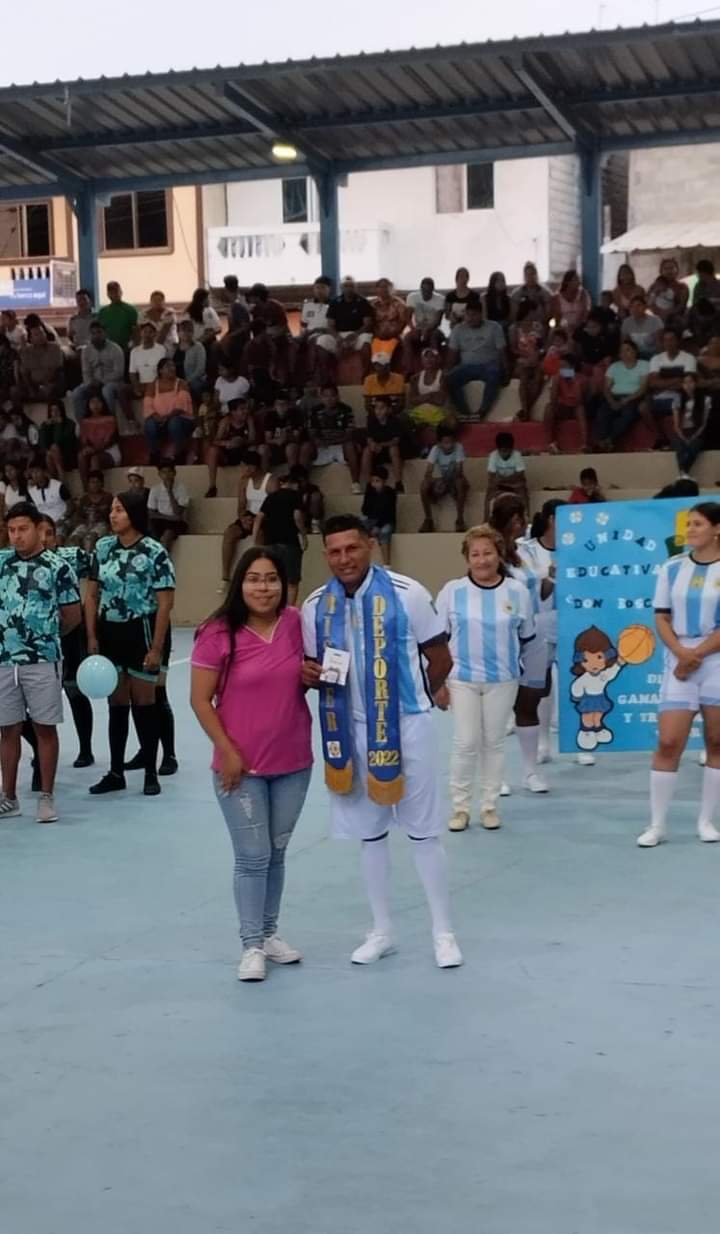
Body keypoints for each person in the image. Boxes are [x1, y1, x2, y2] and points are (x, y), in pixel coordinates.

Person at [301, 515, 462, 969]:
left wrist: (419, 699)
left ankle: (443, 932)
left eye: (352, 548)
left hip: (406, 725)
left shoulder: (408, 593)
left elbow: (440, 657)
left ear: (370, 545)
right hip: (348, 731)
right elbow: (314, 666)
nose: (344, 559)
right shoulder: (315, 606)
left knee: (424, 832)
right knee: (370, 835)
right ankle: (382, 930)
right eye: (334, 551)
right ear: (325, 555)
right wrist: (308, 674)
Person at [191, 546, 312, 981]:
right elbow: (200, 700)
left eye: (272, 579)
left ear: (284, 584)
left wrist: (312, 677)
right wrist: (227, 751)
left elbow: (307, 675)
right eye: (254, 579)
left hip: (294, 762)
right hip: (240, 768)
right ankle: (251, 946)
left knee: (276, 852)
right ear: (239, 584)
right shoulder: (217, 632)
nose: (264, 588)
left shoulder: (297, 623)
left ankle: (269, 932)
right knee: (252, 856)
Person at [436, 524, 534, 832]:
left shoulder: (518, 592)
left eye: (488, 553)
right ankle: (460, 807)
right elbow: (438, 640)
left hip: (503, 679)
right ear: (467, 559)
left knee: (494, 742)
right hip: (461, 678)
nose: (482, 560)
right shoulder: (452, 592)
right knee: (465, 741)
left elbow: (526, 636)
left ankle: (489, 806)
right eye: (475, 554)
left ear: (499, 555)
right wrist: (437, 684)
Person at [638, 502, 720, 847]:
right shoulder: (671, 568)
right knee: (669, 742)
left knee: (717, 742)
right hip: (678, 656)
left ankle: (706, 821)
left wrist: (696, 655)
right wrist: (681, 653)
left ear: (717, 529)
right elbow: (661, 616)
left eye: (698, 524)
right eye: (689, 524)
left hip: (715, 661)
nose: (690, 530)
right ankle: (657, 825)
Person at [85, 489, 175, 797]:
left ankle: (150, 772)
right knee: (117, 704)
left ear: (134, 514)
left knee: (144, 703)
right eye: (112, 509)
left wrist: (156, 648)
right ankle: (116, 772)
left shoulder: (154, 551)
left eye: (119, 510)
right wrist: (92, 635)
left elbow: (165, 603)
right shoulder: (103, 548)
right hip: (110, 632)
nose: (113, 515)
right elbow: (92, 595)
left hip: (142, 630)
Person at [0, 501, 81, 822]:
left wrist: (43, 635)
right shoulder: (1, 563)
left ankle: (46, 797)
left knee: (44, 728)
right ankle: (9, 797)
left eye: (23, 529)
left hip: (43, 659)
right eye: (11, 530)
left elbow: (72, 615)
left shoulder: (58, 567)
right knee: (7, 730)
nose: (16, 536)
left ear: (38, 529)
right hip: (5, 660)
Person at [37, 514, 95, 768]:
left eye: (49, 533)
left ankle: (86, 750)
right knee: (36, 700)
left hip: (70, 636)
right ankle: (40, 750)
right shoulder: (22, 563)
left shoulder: (72, 557)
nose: (44, 539)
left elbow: (100, 573)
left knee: (75, 692)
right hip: (39, 642)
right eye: (40, 532)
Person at [220, 452, 276, 588]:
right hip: (250, 515)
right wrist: (243, 518)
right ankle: (225, 578)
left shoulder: (271, 481)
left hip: (267, 517)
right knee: (229, 533)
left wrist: (258, 520)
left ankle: (258, 573)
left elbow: (276, 506)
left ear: (252, 468)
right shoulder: (244, 481)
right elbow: (241, 505)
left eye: (243, 466)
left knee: (259, 536)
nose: (241, 469)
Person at [445, 295, 506, 419]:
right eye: (467, 315)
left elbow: (502, 352)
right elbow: (452, 354)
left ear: (481, 314)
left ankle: (481, 412)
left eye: (473, 315)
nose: (470, 318)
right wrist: (446, 371)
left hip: (489, 366)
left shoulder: (494, 327)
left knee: (494, 375)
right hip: (466, 367)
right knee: (449, 380)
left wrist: (506, 370)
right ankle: (465, 413)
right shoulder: (458, 329)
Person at [253, 472, 307, 607]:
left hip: (270, 543)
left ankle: (273, 608)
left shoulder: (270, 497)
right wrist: (303, 535)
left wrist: (255, 539)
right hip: (289, 542)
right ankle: (289, 611)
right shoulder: (295, 495)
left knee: (273, 578)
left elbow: (259, 518)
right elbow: (297, 516)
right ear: (294, 484)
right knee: (292, 581)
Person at [593, 339, 649, 450]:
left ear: (635, 351)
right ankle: (603, 442)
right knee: (602, 413)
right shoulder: (614, 366)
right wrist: (612, 402)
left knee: (628, 415)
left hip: (634, 397)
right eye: (622, 351)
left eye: (628, 350)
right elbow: (606, 388)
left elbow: (643, 388)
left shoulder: (644, 365)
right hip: (614, 397)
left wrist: (627, 399)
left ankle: (608, 440)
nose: (625, 353)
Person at [647, 328, 697, 447]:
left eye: (671, 339)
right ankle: (661, 438)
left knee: (678, 401)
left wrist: (663, 384)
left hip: (682, 395)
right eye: (665, 340)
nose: (668, 343)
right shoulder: (656, 359)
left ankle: (679, 442)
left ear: (678, 341)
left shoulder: (688, 358)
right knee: (643, 407)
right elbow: (653, 383)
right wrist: (676, 379)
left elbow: (688, 383)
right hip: (661, 396)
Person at [309, 384, 361, 491]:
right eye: (325, 396)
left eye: (332, 395)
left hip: (341, 445)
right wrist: (318, 440)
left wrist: (333, 441)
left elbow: (349, 433)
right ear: (321, 397)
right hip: (323, 447)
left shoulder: (346, 409)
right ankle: (302, 483)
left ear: (337, 396)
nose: (329, 399)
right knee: (306, 447)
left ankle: (356, 483)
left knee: (350, 445)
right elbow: (311, 433)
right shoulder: (314, 410)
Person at [143, 357, 195, 463]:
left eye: (173, 366)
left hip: (181, 420)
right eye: (168, 366)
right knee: (149, 424)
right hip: (160, 421)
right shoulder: (152, 385)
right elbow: (147, 404)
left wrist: (167, 417)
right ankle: (154, 455)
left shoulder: (181, 383)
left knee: (174, 422)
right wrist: (156, 417)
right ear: (160, 370)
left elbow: (181, 405)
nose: (172, 368)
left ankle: (180, 454)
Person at [72, 320, 127, 421]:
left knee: (106, 391)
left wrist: (102, 381)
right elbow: (86, 372)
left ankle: (111, 424)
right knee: (76, 393)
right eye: (93, 333)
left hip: (113, 382)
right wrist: (90, 383)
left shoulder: (115, 349)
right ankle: (83, 425)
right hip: (92, 383)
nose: (96, 336)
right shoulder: (86, 351)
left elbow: (119, 373)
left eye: (99, 332)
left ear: (105, 333)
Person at [419, 422, 468, 533]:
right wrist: (433, 481)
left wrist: (445, 482)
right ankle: (428, 520)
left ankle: (460, 520)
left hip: (455, 478)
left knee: (460, 483)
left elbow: (459, 471)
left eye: (451, 442)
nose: (449, 445)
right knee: (424, 485)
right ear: (439, 443)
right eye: (445, 443)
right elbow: (428, 472)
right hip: (444, 480)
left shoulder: (458, 447)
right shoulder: (435, 449)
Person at [204, 398, 257, 498]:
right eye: (242, 409)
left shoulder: (249, 420)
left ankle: (254, 484)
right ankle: (212, 486)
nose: (245, 411)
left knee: (254, 449)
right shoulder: (226, 422)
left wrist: (241, 441)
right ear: (233, 412)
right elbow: (215, 441)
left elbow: (253, 440)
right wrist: (227, 443)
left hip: (243, 454)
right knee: (212, 450)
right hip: (227, 455)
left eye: (246, 408)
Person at [326, 277, 374, 373]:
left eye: (351, 286)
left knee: (366, 343)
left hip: (359, 333)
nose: (348, 288)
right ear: (341, 288)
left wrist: (355, 334)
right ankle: (325, 375)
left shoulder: (363, 302)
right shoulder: (334, 302)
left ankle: (366, 373)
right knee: (321, 342)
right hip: (339, 334)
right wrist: (337, 337)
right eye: (346, 286)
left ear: (356, 288)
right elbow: (330, 325)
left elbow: (368, 324)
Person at [247, 283, 294, 382]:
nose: (250, 299)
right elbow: (256, 328)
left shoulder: (276, 306)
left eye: (252, 296)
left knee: (275, 349)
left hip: (280, 335)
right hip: (266, 336)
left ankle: (281, 377)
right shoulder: (255, 310)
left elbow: (284, 327)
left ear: (258, 297)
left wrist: (271, 336)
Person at [13, 324, 65, 408]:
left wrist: (44, 384)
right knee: (14, 391)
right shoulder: (27, 351)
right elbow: (24, 372)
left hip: (50, 382)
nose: (41, 336)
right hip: (32, 384)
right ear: (30, 339)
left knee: (50, 390)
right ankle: (19, 414)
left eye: (42, 333)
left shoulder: (55, 348)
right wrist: (30, 389)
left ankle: (51, 413)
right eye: (36, 335)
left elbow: (55, 369)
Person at [545, 353, 588, 454]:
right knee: (549, 408)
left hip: (576, 408)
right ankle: (551, 444)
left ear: (572, 367)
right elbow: (553, 400)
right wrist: (556, 382)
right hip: (563, 408)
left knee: (580, 409)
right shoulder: (558, 377)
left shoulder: (581, 379)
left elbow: (579, 400)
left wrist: (574, 381)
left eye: (564, 366)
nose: (561, 369)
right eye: (560, 366)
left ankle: (584, 444)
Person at [260, 390, 312, 472]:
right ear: (274, 405)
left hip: (293, 445)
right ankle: (264, 475)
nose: (281, 407)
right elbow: (267, 439)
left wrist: (286, 437)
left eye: (284, 404)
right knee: (262, 448)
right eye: (278, 404)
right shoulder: (269, 416)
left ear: (289, 405)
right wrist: (277, 441)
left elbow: (296, 438)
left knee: (290, 447)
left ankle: (293, 475)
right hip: (276, 446)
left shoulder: (295, 414)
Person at [509, 300, 544, 420]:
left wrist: (537, 354)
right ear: (529, 312)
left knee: (539, 377)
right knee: (524, 376)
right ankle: (525, 409)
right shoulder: (514, 328)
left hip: (535, 359)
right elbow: (513, 348)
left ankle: (526, 409)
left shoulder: (538, 327)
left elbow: (541, 346)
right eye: (534, 311)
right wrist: (525, 355)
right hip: (522, 359)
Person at [77, 391, 121, 486]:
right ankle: (86, 489)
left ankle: (97, 489)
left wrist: (94, 449)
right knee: (81, 456)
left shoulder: (110, 419)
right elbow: (83, 441)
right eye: (92, 402)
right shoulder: (85, 422)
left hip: (110, 452)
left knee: (95, 459)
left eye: (98, 402)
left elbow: (110, 441)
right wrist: (86, 448)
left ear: (103, 404)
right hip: (93, 451)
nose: (95, 405)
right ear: (88, 405)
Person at [361, 397, 404, 492]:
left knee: (394, 449)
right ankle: (369, 484)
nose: (378, 411)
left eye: (382, 408)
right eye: (376, 408)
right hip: (377, 450)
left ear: (388, 409)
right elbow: (369, 438)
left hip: (389, 449)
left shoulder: (395, 421)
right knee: (367, 450)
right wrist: (372, 444)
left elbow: (396, 440)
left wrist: (381, 445)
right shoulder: (371, 420)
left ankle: (398, 483)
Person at [671, 373, 710, 476]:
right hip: (680, 432)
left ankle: (682, 474)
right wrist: (683, 438)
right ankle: (684, 475)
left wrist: (693, 437)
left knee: (694, 446)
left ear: (695, 383)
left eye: (690, 382)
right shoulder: (677, 398)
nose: (688, 385)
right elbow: (676, 425)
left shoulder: (705, 399)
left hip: (696, 431)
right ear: (682, 385)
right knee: (680, 448)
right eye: (685, 382)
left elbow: (703, 423)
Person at [299, 276, 337, 382]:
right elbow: (303, 325)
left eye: (323, 287)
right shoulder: (308, 305)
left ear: (329, 289)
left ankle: (311, 374)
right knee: (291, 343)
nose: (319, 290)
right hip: (308, 334)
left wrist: (317, 331)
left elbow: (334, 327)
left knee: (315, 340)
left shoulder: (335, 305)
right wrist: (303, 334)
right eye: (317, 287)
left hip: (326, 334)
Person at [148, 459, 190, 551]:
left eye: (169, 472)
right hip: (161, 520)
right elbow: (151, 513)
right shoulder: (155, 489)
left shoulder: (181, 488)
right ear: (159, 474)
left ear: (174, 473)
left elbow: (178, 512)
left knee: (168, 534)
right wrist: (170, 517)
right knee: (149, 528)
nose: (167, 475)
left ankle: (163, 557)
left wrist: (169, 491)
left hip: (176, 523)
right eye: (164, 472)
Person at [403, 277, 445, 369]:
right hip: (418, 328)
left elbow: (437, 321)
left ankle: (435, 367)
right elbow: (407, 317)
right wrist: (413, 328)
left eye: (428, 291)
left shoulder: (440, 299)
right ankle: (409, 369)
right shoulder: (412, 297)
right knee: (407, 338)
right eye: (424, 290)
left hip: (434, 329)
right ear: (420, 289)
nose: (426, 293)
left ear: (433, 290)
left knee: (434, 336)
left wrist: (427, 330)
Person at [27, 460, 73, 543]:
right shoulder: (31, 492)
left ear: (44, 472)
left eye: (37, 471)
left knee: (58, 539)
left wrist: (61, 519)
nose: (35, 475)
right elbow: (31, 512)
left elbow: (71, 506)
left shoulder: (58, 486)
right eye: (32, 472)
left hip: (61, 522)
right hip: (42, 524)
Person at [485, 431, 529, 517]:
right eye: (502, 451)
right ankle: (486, 520)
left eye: (507, 450)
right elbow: (492, 476)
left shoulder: (517, 455)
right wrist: (508, 479)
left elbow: (520, 474)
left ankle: (526, 518)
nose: (504, 453)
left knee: (523, 493)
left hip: (515, 484)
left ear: (511, 449)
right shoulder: (493, 455)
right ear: (498, 449)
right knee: (489, 496)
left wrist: (503, 479)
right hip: (499, 485)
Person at [67, 469, 113, 551]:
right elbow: (78, 516)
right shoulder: (84, 499)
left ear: (102, 483)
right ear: (88, 484)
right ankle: (78, 557)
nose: (95, 485)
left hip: (101, 524)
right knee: (74, 538)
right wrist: (84, 524)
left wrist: (99, 513)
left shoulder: (108, 497)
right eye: (92, 482)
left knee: (90, 538)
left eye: (97, 482)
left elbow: (111, 515)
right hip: (85, 524)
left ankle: (88, 558)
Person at [361, 465, 397, 565]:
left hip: (386, 521)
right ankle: (364, 561)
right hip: (372, 520)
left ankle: (386, 565)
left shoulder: (390, 493)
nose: (374, 484)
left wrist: (377, 526)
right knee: (359, 527)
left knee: (384, 532)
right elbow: (364, 510)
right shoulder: (370, 492)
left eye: (377, 481)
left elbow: (388, 514)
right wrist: (370, 495)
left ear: (384, 481)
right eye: (372, 481)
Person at [407, 348, 448, 430]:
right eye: (426, 357)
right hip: (419, 412)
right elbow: (412, 400)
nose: (429, 360)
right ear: (422, 361)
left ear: (437, 359)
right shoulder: (415, 378)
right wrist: (431, 395)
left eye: (432, 357)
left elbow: (440, 401)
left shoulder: (444, 376)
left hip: (437, 412)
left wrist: (421, 398)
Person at [38, 401, 78, 482]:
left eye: (57, 410)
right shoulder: (45, 424)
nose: (55, 413)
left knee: (54, 447)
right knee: (49, 456)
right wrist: (45, 427)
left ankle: (60, 477)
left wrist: (59, 425)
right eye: (52, 410)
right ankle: (58, 481)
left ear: (62, 411)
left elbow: (59, 440)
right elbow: (42, 442)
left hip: (67, 454)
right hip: (52, 455)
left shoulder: (70, 423)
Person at [370, 278, 408, 361]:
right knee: (375, 355)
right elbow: (371, 322)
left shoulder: (399, 303)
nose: (384, 289)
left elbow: (403, 322)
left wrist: (392, 334)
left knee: (390, 354)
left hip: (395, 335)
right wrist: (377, 333)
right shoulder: (373, 304)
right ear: (377, 290)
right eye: (381, 287)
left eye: (386, 287)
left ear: (391, 289)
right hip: (378, 336)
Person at [173, 317, 207, 404]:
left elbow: (200, 369)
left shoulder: (198, 347)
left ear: (193, 332)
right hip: (177, 381)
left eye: (189, 331)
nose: (186, 333)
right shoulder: (174, 348)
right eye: (183, 330)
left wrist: (187, 381)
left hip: (194, 380)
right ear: (178, 332)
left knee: (194, 385)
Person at [96, 282, 139, 351]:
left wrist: (134, 347)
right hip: (107, 349)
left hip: (126, 348)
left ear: (121, 292)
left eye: (116, 291)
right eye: (111, 292)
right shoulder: (102, 312)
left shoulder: (130, 310)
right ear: (108, 294)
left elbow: (136, 331)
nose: (114, 294)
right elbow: (99, 331)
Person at [647, 258, 689, 326]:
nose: (669, 271)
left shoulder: (682, 287)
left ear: (677, 270)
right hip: (657, 317)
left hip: (675, 319)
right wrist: (659, 312)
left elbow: (682, 306)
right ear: (661, 271)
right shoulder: (654, 286)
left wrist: (668, 313)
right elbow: (648, 302)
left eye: (672, 268)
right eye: (666, 268)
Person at [129, 321, 167, 396]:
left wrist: (152, 386)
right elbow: (132, 373)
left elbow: (163, 372)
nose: (147, 334)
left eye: (150, 332)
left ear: (155, 334)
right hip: (141, 384)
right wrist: (137, 387)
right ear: (141, 333)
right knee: (123, 391)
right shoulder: (134, 351)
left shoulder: (161, 349)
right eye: (145, 331)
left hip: (157, 384)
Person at [620, 295, 663, 360]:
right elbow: (625, 343)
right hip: (634, 355)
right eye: (632, 306)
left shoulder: (655, 320)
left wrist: (659, 359)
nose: (635, 309)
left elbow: (659, 343)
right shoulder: (626, 322)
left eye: (639, 305)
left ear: (645, 307)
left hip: (652, 354)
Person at [139, 290, 178, 354]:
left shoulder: (169, 313)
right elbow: (141, 332)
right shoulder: (143, 314)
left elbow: (163, 334)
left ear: (163, 301)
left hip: (167, 345)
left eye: (159, 300)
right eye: (154, 300)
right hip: (148, 344)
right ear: (150, 301)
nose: (157, 302)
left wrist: (153, 350)